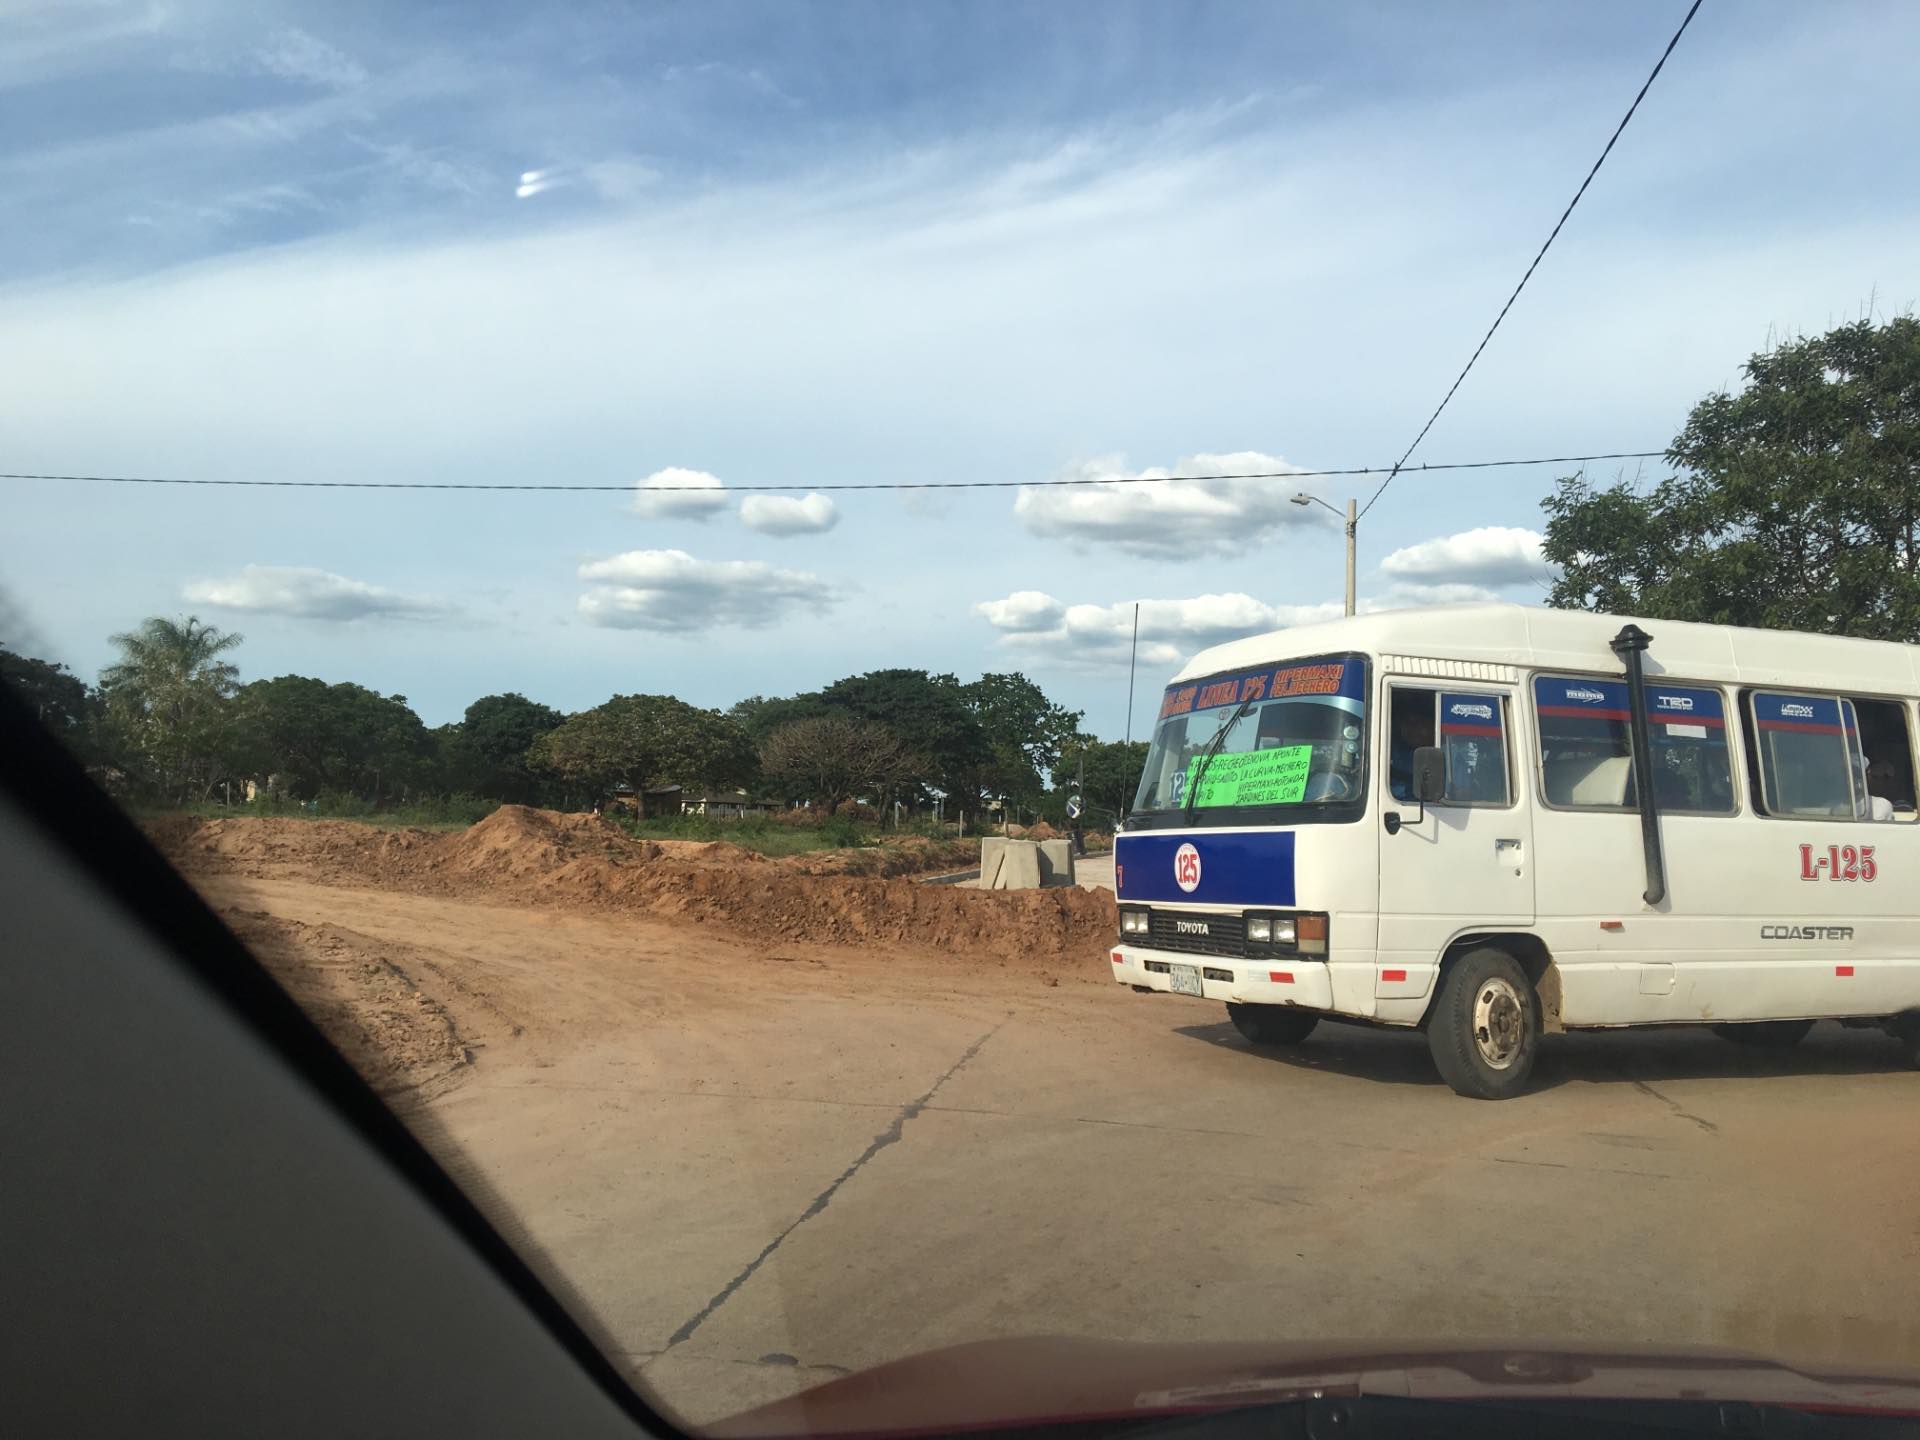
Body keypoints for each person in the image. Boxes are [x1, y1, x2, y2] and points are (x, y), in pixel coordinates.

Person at [1389, 701, 1435, 802]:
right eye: (1407, 723)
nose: (1412, 730)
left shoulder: (1449, 755)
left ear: (1433, 725)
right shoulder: (1390, 751)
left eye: (1418, 723)